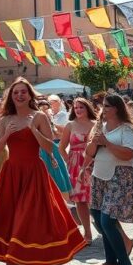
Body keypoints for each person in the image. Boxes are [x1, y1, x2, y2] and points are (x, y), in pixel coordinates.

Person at [0, 78, 86, 265]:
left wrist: (33, 130)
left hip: (34, 173)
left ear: (30, 94)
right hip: (11, 174)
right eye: (16, 92)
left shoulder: (40, 116)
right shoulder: (6, 119)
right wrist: (7, 132)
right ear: (11, 96)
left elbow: (50, 148)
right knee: (7, 220)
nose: (19, 96)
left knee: (38, 220)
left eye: (23, 92)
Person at [86, 94, 133, 265]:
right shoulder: (100, 127)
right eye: (103, 106)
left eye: (107, 106)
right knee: (98, 218)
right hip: (100, 175)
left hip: (119, 176)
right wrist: (94, 142)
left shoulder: (128, 129)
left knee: (108, 220)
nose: (103, 109)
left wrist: (107, 143)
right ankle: (110, 262)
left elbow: (128, 154)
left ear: (117, 108)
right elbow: (89, 153)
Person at [60, 97, 97, 244]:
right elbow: (61, 147)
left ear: (87, 108)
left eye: (81, 107)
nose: (78, 110)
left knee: (95, 197)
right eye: (76, 108)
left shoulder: (96, 124)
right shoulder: (70, 125)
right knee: (80, 200)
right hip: (76, 165)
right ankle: (87, 233)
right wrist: (69, 161)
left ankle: (102, 228)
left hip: (94, 163)